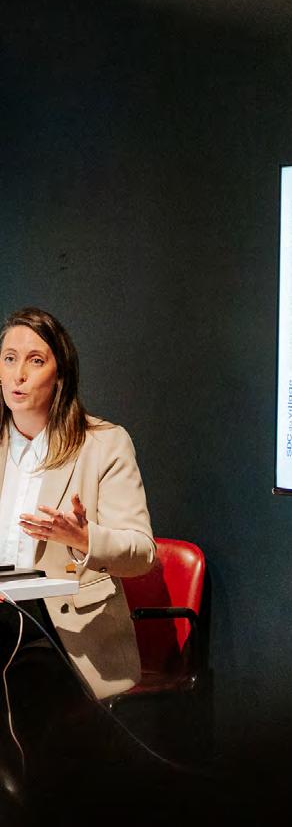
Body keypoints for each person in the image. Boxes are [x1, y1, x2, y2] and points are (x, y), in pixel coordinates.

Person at [0, 306, 157, 792]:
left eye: (35, 360)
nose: (18, 374)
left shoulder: (103, 445)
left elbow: (141, 552)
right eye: (8, 358)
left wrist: (84, 539)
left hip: (60, 628)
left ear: (60, 375)